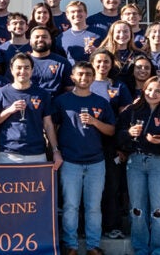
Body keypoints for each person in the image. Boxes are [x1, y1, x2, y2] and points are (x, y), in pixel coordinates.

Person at [54, 63, 117, 255]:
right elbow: (52, 129)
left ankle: (93, 246)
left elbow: (111, 130)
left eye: (88, 74)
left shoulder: (101, 102)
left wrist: (95, 122)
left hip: (96, 162)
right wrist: (56, 151)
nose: (84, 77)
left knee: (93, 207)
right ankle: (70, 245)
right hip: (70, 160)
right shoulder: (62, 101)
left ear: (93, 77)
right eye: (80, 74)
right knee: (71, 206)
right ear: (72, 77)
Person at [119, 76, 160, 255]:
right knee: (137, 210)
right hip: (136, 163)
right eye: (149, 89)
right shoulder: (132, 111)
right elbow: (117, 136)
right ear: (143, 90)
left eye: (158, 91)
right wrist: (128, 133)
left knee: (159, 211)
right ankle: (140, 250)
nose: (152, 93)